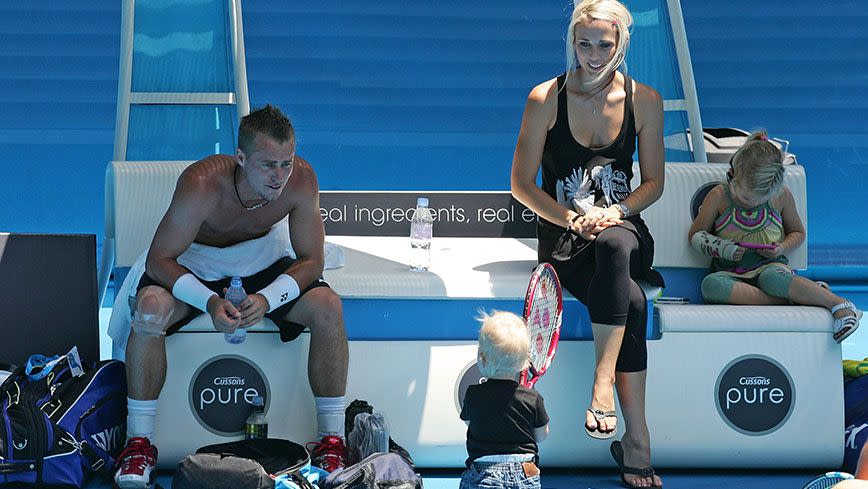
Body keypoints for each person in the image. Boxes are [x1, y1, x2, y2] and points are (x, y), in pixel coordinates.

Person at [112, 105, 350, 488]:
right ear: (241, 158)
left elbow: (312, 259)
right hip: (196, 264)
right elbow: (160, 260)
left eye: (286, 163)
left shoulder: (301, 180)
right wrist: (208, 300)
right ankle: (139, 443)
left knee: (328, 307)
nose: (279, 177)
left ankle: (332, 441)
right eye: (268, 165)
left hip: (262, 260)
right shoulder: (202, 182)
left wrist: (269, 298)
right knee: (150, 309)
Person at [510, 0, 665, 486]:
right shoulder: (544, 98)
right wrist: (572, 221)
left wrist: (614, 212)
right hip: (564, 236)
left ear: (622, 43)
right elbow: (522, 185)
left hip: (623, 228)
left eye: (605, 44)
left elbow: (653, 183)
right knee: (634, 302)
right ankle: (637, 440)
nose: (594, 54)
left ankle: (602, 385)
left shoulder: (646, 99)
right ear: (571, 42)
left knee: (616, 247)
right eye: (584, 43)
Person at [687, 131, 862, 343]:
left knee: (773, 279)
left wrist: (780, 248)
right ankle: (797, 299)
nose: (752, 203)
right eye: (745, 197)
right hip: (730, 272)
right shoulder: (719, 196)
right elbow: (696, 235)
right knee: (711, 284)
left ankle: (840, 305)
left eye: (761, 199)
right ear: (732, 173)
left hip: (771, 266)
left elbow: (798, 232)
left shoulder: (782, 196)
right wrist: (722, 247)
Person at [459, 311, 549, 489]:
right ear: (526, 360)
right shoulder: (533, 398)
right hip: (526, 471)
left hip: (484, 471)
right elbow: (541, 436)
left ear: (482, 357)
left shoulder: (473, 394)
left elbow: (471, 423)